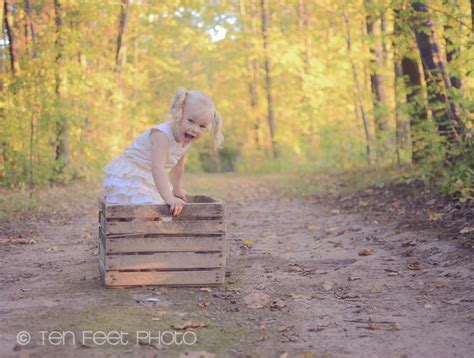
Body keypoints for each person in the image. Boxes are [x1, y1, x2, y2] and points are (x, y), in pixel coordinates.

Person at [102, 87, 223, 216]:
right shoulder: (163, 135)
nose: (195, 129)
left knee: (165, 210)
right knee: (148, 209)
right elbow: (158, 167)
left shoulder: (185, 141)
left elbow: (178, 166)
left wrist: (176, 189)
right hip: (132, 175)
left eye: (202, 126)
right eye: (190, 121)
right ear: (179, 114)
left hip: (150, 178)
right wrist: (169, 197)